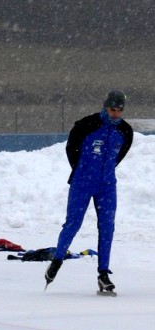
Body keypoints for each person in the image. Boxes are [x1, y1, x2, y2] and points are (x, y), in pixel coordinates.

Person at [44, 90, 133, 294]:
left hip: (107, 185)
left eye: (119, 111)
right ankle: (57, 260)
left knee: (107, 227)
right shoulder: (86, 125)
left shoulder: (126, 131)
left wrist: (105, 172)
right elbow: (71, 149)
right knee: (73, 224)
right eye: (113, 110)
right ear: (105, 106)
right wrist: (82, 171)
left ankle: (103, 273)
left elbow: (119, 156)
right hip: (82, 183)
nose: (116, 115)